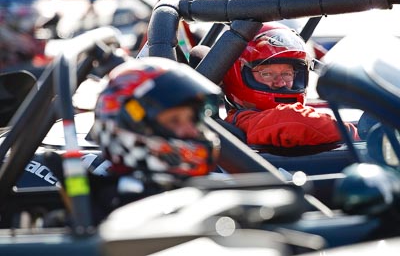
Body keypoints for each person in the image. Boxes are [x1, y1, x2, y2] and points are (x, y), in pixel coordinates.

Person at [222, 22, 359, 148]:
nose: (281, 82)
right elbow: (295, 122)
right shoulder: (244, 120)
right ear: (237, 76)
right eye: (267, 74)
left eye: (287, 74)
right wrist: (356, 134)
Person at [90, 56, 221, 183]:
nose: (191, 130)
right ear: (133, 127)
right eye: (174, 121)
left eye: (191, 119)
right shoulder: (113, 200)